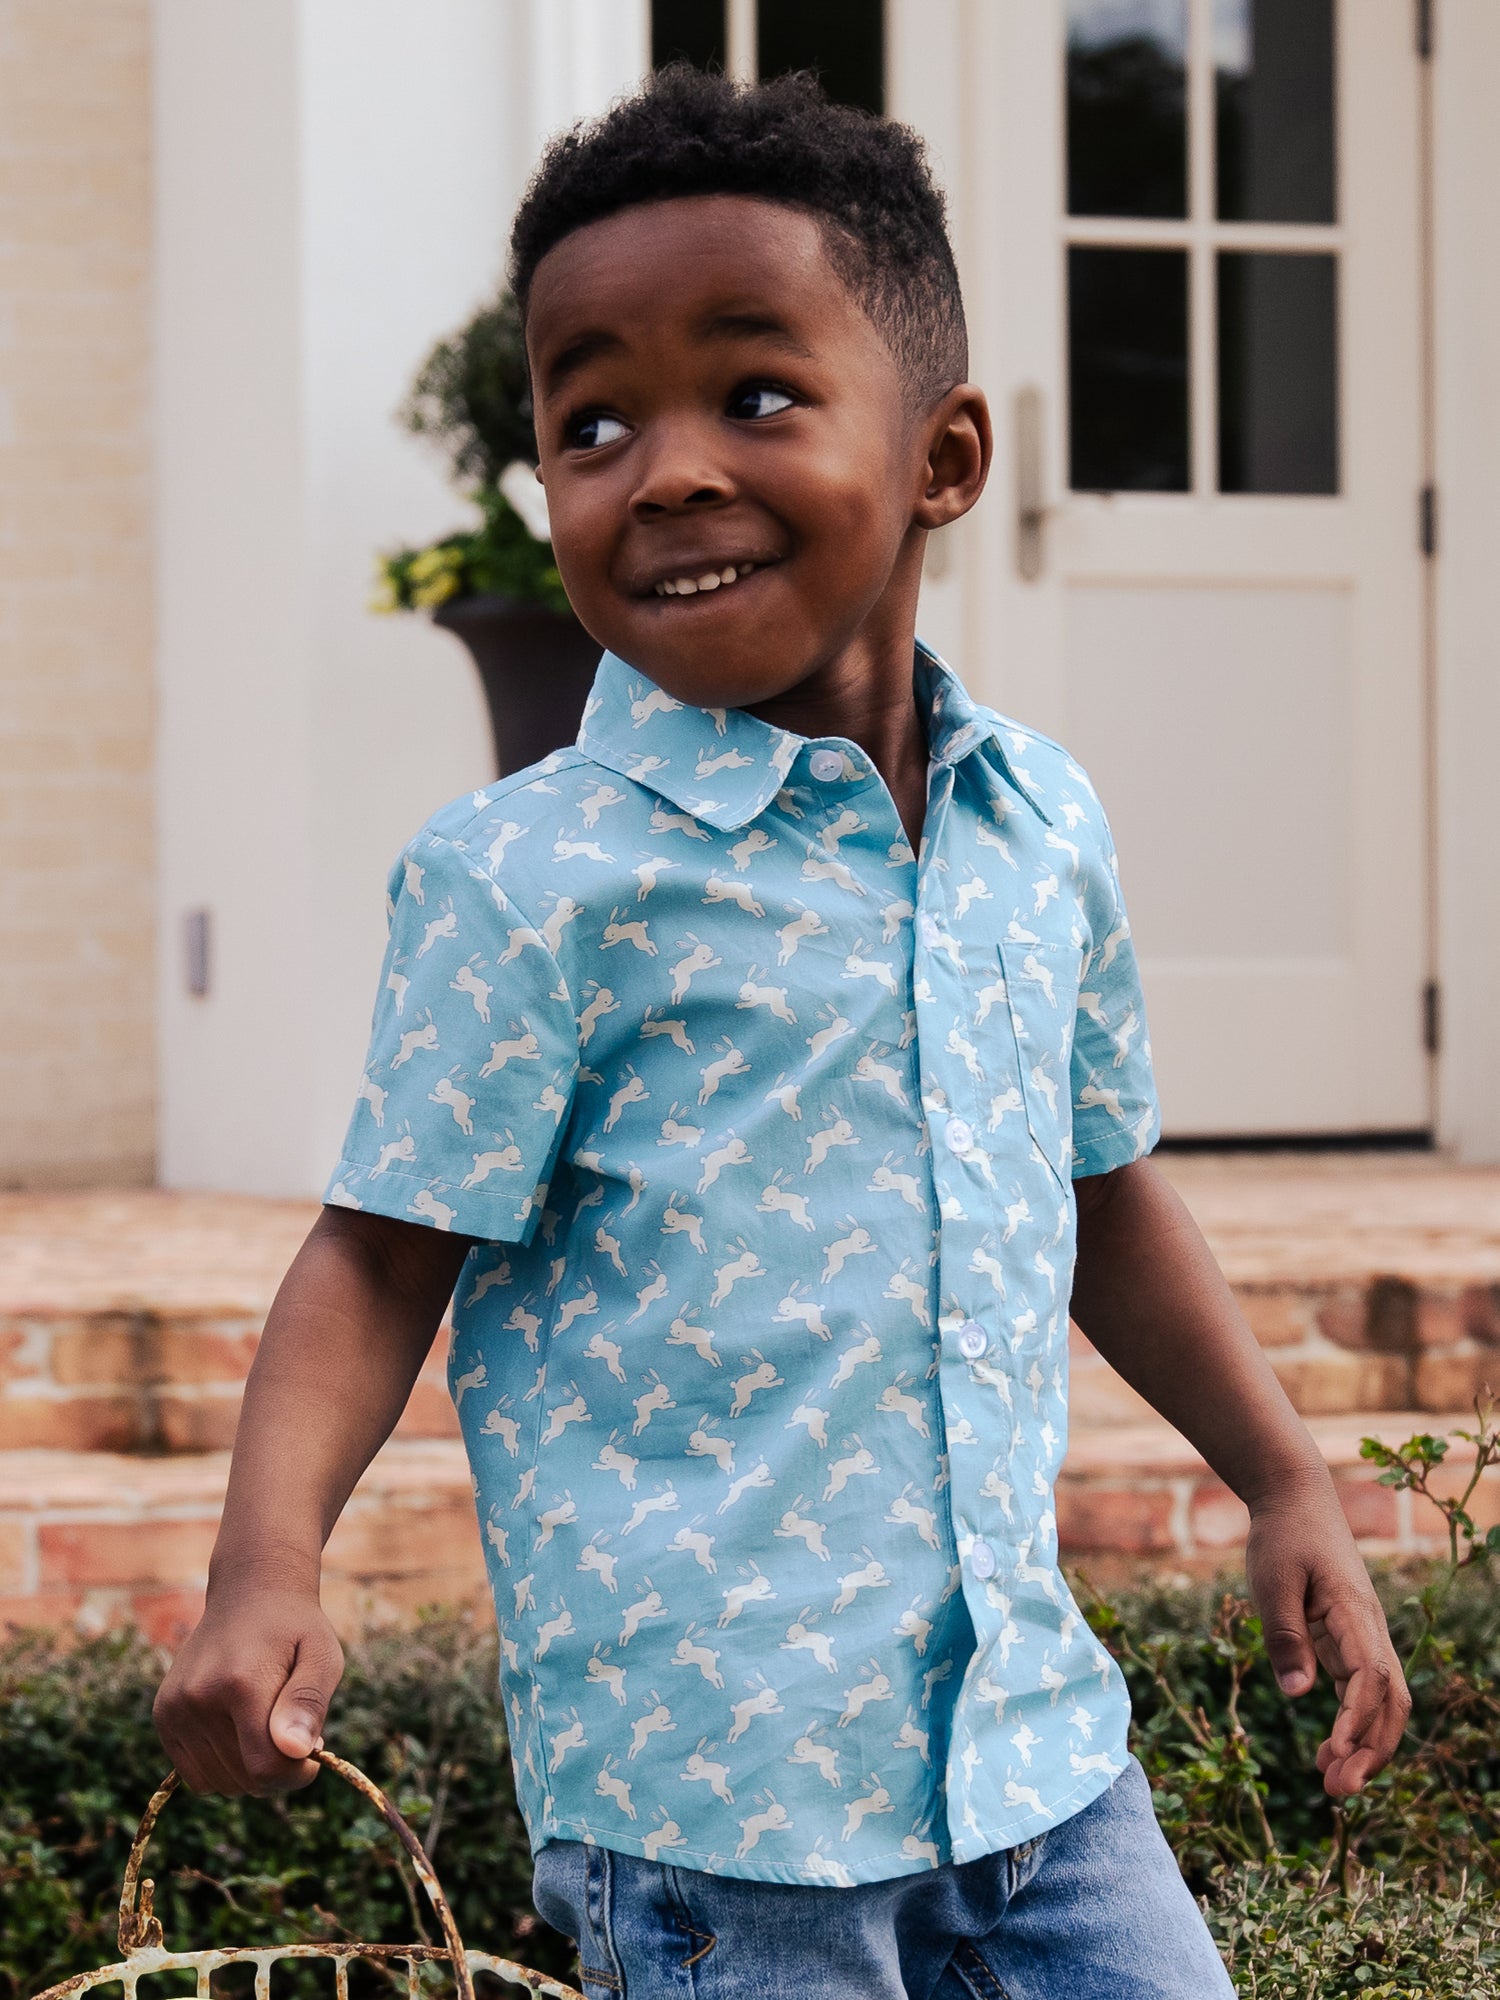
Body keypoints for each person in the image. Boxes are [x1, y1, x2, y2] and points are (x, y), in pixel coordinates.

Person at [155, 65, 1409, 2000]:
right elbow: (383, 1245)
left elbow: (1106, 1185)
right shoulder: (532, 878)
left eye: (755, 393)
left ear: (944, 453)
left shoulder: (1037, 821)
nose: (662, 468)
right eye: (591, 420)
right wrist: (267, 1564)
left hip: (1040, 1769)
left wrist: (1284, 1476)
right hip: (718, 1827)